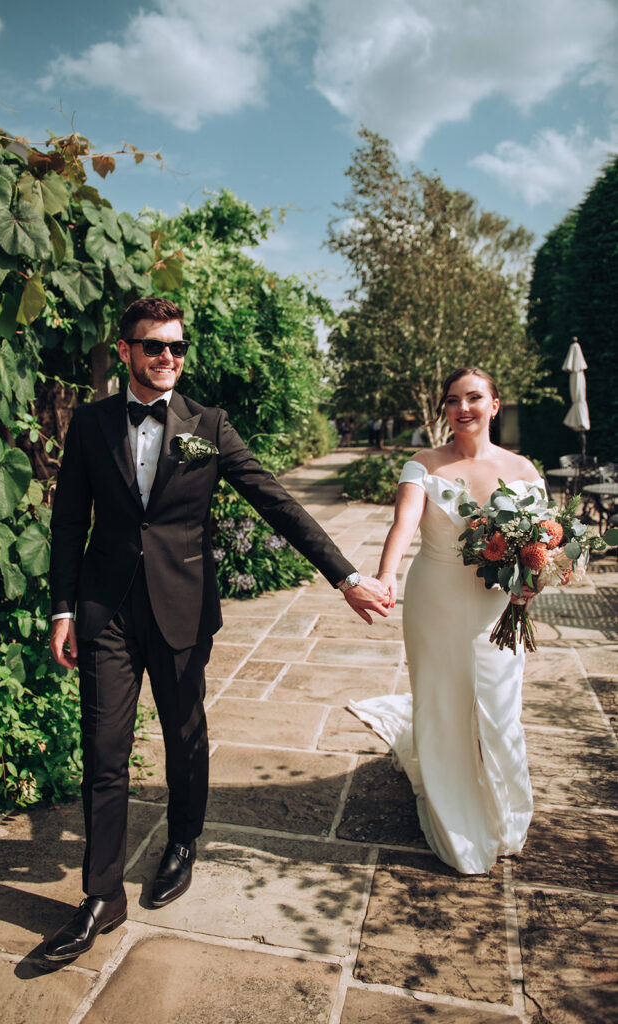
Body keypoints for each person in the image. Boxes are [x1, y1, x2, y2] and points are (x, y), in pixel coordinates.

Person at [45, 297, 390, 962]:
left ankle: (182, 840)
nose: (168, 358)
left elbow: (274, 501)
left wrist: (344, 576)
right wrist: (63, 608)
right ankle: (102, 897)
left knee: (184, 734)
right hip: (106, 609)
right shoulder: (88, 425)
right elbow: (68, 522)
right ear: (125, 352)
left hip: (180, 606)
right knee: (103, 751)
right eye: (154, 347)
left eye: (177, 347)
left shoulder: (207, 425)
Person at [349, 368, 545, 874]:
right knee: (441, 702)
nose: (464, 408)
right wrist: (386, 574)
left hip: (497, 604)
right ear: (444, 409)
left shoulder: (524, 470)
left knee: (500, 709)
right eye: (453, 400)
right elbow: (405, 522)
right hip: (435, 598)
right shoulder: (423, 464)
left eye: (475, 397)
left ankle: (504, 811)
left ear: (495, 404)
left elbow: (542, 547)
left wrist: (530, 583)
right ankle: (455, 817)